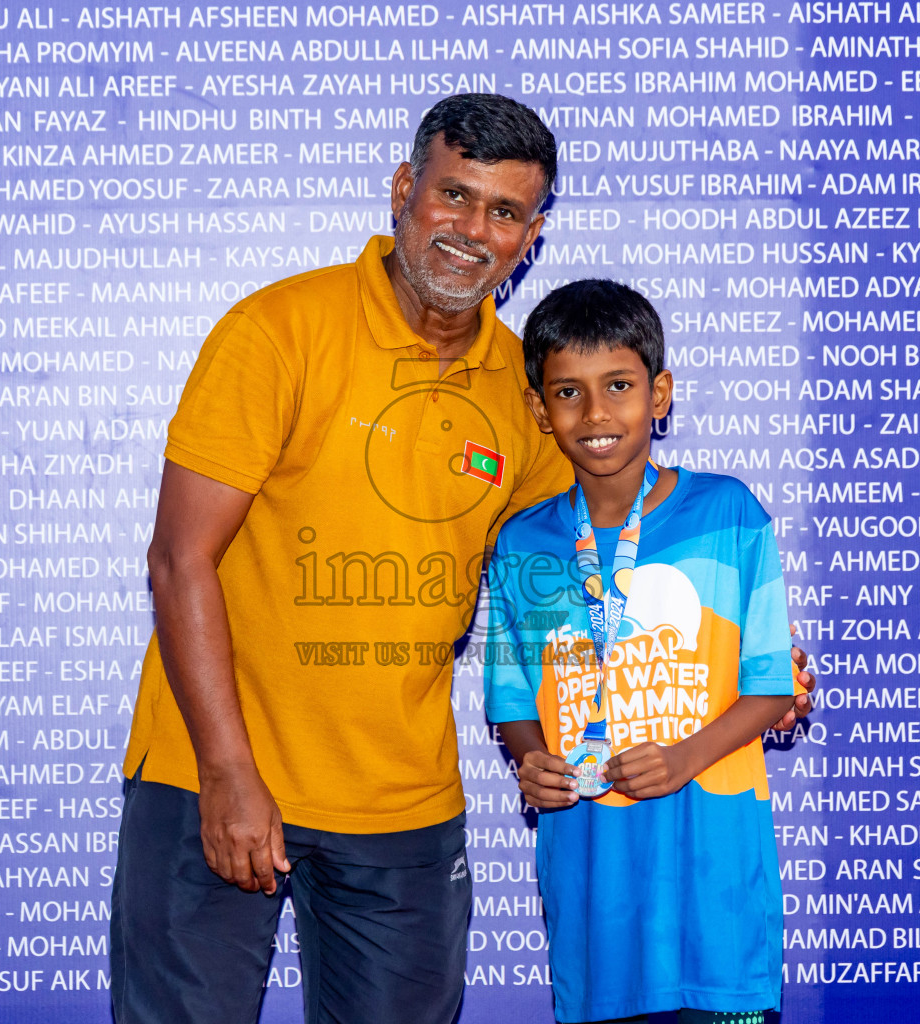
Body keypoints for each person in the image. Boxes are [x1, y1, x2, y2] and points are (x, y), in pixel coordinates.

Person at [110, 94, 814, 1024]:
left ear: (532, 234)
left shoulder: (529, 391)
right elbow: (178, 562)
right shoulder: (278, 330)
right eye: (454, 195)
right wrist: (228, 773)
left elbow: (578, 574)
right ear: (405, 189)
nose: (472, 231)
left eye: (506, 211)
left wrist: (749, 668)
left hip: (405, 806)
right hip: (216, 777)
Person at [484, 279, 797, 1024]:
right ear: (538, 409)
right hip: (596, 899)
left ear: (659, 394)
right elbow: (513, 701)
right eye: (568, 392)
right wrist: (532, 761)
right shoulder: (522, 543)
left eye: (618, 386)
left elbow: (774, 686)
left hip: (714, 898)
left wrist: (687, 757)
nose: (596, 415)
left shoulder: (729, 514)